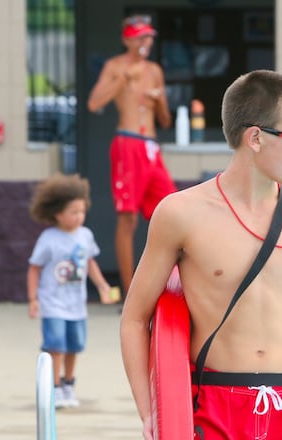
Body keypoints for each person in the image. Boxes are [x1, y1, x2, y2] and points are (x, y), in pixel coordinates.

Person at [119, 70, 282, 439]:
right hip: (213, 406)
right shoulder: (181, 214)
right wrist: (152, 413)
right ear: (256, 138)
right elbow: (135, 320)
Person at [87, 14, 177, 293]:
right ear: (127, 39)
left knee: (171, 211)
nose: (145, 42)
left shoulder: (154, 70)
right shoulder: (115, 66)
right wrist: (124, 78)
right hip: (127, 142)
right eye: (140, 37)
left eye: (149, 36)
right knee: (128, 218)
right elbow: (94, 103)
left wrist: (158, 99)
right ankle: (129, 291)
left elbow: (164, 120)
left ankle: (174, 285)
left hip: (151, 145)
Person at [27, 173, 118, 409]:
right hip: (52, 304)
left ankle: (69, 384)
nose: (79, 217)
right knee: (55, 346)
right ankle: (54, 387)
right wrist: (33, 298)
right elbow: (34, 269)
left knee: (74, 346)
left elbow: (89, 263)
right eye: (73, 212)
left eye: (82, 211)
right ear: (57, 213)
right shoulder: (48, 238)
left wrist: (102, 285)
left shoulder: (85, 236)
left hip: (77, 306)